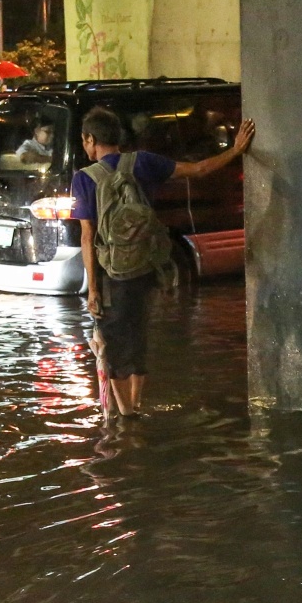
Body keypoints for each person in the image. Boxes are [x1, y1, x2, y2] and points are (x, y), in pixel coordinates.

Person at [72, 106, 254, 416]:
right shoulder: (143, 162)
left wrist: (92, 289)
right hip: (145, 265)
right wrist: (235, 151)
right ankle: (137, 402)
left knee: (113, 341)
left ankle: (127, 414)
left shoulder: (85, 179)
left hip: (111, 272)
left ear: (90, 139)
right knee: (138, 333)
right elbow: (198, 170)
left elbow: (87, 236)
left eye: (84, 140)